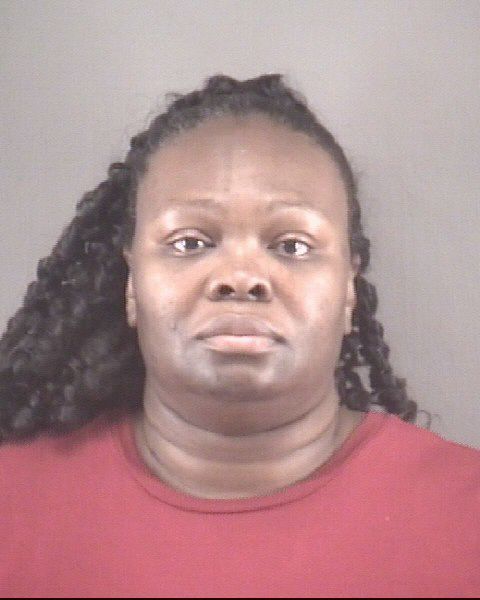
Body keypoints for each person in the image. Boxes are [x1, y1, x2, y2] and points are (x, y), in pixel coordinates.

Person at [0, 74, 478, 598]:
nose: (241, 277)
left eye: (292, 246)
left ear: (348, 289)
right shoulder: (14, 503)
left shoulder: (464, 517)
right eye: (190, 243)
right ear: (132, 284)